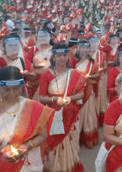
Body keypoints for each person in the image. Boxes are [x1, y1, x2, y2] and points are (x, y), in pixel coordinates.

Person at [0, 66, 54, 171]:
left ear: (22, 87)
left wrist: (26, 147)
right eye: (6, 89)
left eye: (16, 88)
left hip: (26, 165)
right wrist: (0, 150)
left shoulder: (33, 107)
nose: (12, 94)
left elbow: (42, 135)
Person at [39, 43, 87, 172]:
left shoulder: (74, 74)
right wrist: (55, 100)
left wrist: (69, 99)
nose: (62, 58)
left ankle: (70, 167)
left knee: (71, 144)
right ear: (53, 57)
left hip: (71, 115)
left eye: (64, 55)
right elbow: (41, 97)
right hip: (53, 116)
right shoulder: (46, 75)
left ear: (68, 56)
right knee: (53, 145)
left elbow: (81, 93)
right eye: (58, 55)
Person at [75, 40, 100, 148]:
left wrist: (88, 77)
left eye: (86, 48)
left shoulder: (93, 63)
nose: (84, 50)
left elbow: (97, 75)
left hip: (88, 90)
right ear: (78, 49)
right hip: (76, 92)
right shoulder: (74, 62)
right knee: (77, 114)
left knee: (88, 114)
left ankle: (88, 138)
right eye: (82, 48)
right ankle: (77, 138)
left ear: (89, 49)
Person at [88, 37, 108, 125]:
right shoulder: (86, 54)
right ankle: (91, 118)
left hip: (100, 78)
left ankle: (100, 117)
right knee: (90, 97)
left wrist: (99, 70)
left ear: (98, 44)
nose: (93, 45)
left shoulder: (102, 54)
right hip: (89, 78)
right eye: (91, 43)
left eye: (95, 43)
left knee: (101, 96)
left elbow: (105, 66)